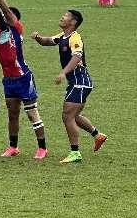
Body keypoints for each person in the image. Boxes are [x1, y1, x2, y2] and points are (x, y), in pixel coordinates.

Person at [32, 10, 107, 164]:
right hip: (77, 83)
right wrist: (38, 38)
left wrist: (63, 72)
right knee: (74, 116)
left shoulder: (75, 38)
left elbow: (77, 56)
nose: (62, 17)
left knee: (67, 116)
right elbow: (48, 41)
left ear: (73, 22)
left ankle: (75, 152)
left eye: (66, 16)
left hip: (80, 82)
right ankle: (97, 135)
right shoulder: (63, 36)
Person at [0, 0, 47, 160]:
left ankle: (42, 148)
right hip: (8, 80)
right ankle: (13, 146)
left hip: (23, 78)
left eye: (9, 15)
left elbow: (5, 11)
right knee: (12, 113)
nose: (5, 17)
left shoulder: (16, 28)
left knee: (32, 113)